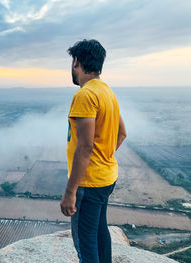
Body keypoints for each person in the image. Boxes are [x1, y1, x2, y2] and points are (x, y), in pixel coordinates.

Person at [60, 39, 127, 263]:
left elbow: (85, 146)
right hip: (106, 177)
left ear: (77, 61)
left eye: (73, 62)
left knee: (85, 242)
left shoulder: (85, 95)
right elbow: (122, 133)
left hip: (89, 183)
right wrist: (104, 156)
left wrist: (70, 193)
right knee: (99, 231)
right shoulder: (107, 92)